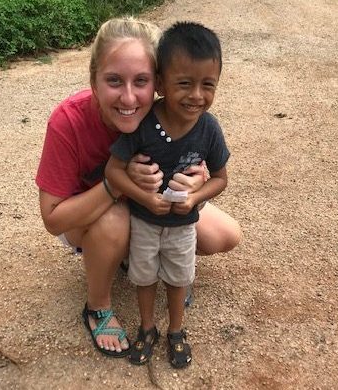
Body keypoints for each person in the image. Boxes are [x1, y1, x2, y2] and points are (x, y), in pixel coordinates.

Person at [36, 17, 242, 359]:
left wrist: (196, 180)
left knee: (224, 235)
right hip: (89, 218)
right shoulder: (68, 121)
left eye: (141, 81)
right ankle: (97, 306)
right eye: (114, 81)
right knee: (115, 220)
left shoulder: (170, 116)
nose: (128, 97)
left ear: (158, 83)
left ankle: (136, 259)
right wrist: (120, 184)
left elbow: (198, 159)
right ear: (93, 80)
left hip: (153, 212)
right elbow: (54, 220)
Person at [105, 21, 230, 368]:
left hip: (184, 224)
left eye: (208, 85)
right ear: (160, 83)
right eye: (184, 84)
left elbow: (220, 178)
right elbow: (113, 170)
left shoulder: (209, 128)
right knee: (143, 278)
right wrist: (144, 198)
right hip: (144, 222)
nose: (197, 96)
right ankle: (148, 328)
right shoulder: (144, 124)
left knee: (178, 280)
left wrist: (196, 197)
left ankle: (176, 330)